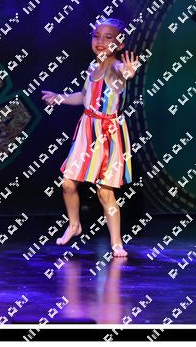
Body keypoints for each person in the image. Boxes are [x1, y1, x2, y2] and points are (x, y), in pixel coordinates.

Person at [41, 18, 138, 258]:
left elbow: (123, 75)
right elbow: (84, 97)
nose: (100, 41)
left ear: (119, 44)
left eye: (108, 37)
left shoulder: (116, 67)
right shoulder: (93, 67)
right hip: (87, 129)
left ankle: (116, 242)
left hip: (108, 133)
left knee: (105, 192)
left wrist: (128, 73)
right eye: (97, 36)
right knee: (68, 183)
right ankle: (74, 225)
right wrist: (60, 98)